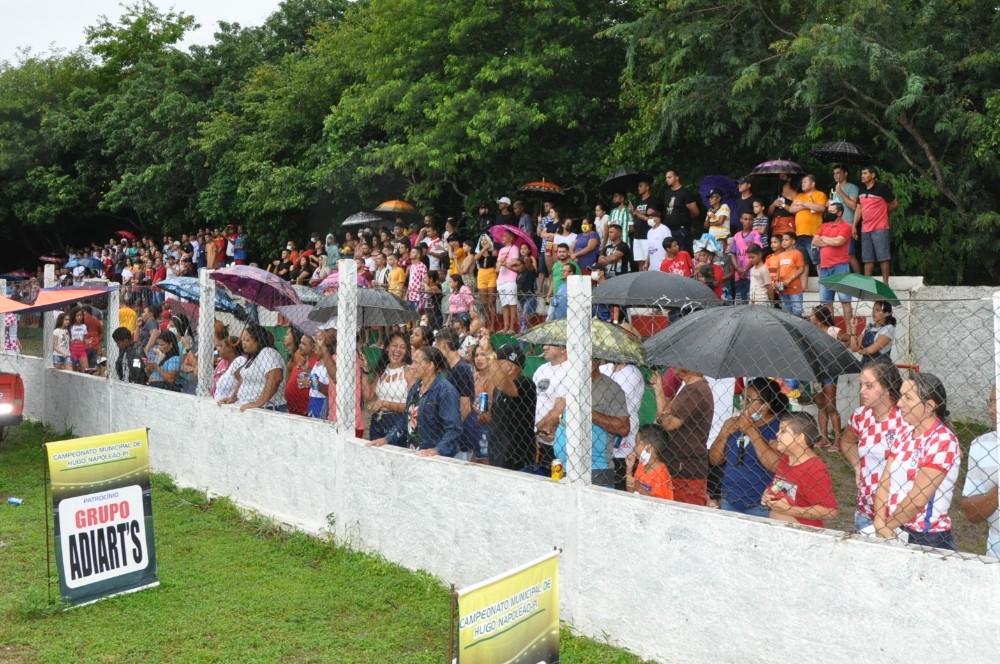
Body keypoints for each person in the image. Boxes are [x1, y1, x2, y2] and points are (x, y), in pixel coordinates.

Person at [875, 373, 961, 550]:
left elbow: (918, 500)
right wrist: (879, 522)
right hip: (893, 526)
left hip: (926, 536)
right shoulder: (904, 433)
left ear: (929, 406)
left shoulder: (943, 440)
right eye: (901, 396)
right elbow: (884, 483)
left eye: (908, 398)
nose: (899, 403)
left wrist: (885, 527)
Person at [837, 360, 908, 530]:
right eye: (861, 385)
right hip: (865, 511)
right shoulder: (861, 416)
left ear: (887, 387)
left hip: (898, 514)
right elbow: (847, 441)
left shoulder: (905, 419)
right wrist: (857, 468)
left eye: (869, 386)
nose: (862, 391)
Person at [710, 378, 787, 516]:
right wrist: (725, 434)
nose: (742, 403)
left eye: (748, 400)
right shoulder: (732, 423)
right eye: (742, 398)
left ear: (765, 406)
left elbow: (776, 466)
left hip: (761, 503)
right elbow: (714, 460)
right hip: (730, 498)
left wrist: (751, 430)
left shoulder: (779, 427)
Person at [367, 346, 461, 457]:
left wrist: (437, 450)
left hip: (435, 458)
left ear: (430, 365)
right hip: (415, 453)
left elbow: (454, 429)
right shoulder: (416, 387)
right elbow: (406, 418)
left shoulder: (446, 391)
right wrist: (387, 439)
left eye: (416, 362)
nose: (411, 366)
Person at [550, 360, 630, 488]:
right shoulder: (573, 383)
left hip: (594, 469)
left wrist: (588, 412)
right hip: (562, 466)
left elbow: (623, 428)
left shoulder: (610, 388)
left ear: (591, 364)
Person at [763, 412, 838, 527]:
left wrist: (789, 510)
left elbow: (830, 511)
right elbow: (778, 484)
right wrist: (769, 493)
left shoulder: (814, 469)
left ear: (799, 438)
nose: (777, 434)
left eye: (783, 431)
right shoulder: (786, 458)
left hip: (803, 533)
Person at [651, 367, 713, 506]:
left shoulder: (697, 391)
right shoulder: (688, 388)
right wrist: (658, 389)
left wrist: (664, 416)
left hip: (686, 469)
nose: (674, 367)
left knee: (685, 513)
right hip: (678, 465)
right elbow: (664, 416)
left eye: (678, 363)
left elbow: (669, 423)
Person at [478, 338, 536, 470]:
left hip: (517, 459)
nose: (492, 364)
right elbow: (493, 420)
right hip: (497, 455)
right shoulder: (498, 389)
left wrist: (489, 352)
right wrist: (483, 411)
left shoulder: (525, 383)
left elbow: (504, 384)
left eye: (497, 361)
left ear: (511, 367)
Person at [961, 387, 999, 559]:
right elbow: (972, 513)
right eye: (990, 402)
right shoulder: (982, 445)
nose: (991, 409)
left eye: (997, 402)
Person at [808, 305, 850, 449]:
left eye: (812, 315)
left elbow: (849, 339)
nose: (810, 317)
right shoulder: (812, 332)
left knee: (830, 406)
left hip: (830, 371)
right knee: (820, 404)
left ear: (819, 317)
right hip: (816, 371)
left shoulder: (832, 331)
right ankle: (824, 438)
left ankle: (837, 440)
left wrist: (839, 352)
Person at [600, 357, 645, 491]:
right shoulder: (604, 368)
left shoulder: (632, 372)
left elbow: (615, 401)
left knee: (618, 479)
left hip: (623, 435)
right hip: (601, 432)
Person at [221, 324, 286, 412]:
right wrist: (233, 397)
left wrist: (259, 403)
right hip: (251, 407)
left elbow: (275, 378)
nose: (243, 343)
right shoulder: (253, 357)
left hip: (268, 407)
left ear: (258, 340)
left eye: (247, 340)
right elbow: (243, 378)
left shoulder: (268, 352)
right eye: (242, 340)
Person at [434, 328, 477, 461]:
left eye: (437, 345)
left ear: (444, 345)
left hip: (461, 434)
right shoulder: (451, 367)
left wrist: (451, 432)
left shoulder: (461, 368)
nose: (436, 349)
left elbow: (465, 407)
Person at [812, 201, 855, 327]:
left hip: (840, 267)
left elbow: (839, 242)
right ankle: (829, 332)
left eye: (831, 212)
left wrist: (823, 238)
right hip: (824, 268)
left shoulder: (846, 227)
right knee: (826, 303)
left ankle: (850, 332)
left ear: (839, 213)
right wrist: (831, 241)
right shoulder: (824, 226)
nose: (828, 213)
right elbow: (815, 241)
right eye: (828, 211)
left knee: (845, 301)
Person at [855, 166, 898, 283]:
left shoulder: (882, 187)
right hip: (865, 228)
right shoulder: (861, 189)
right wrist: (854, 226)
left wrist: (883, 213)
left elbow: (894, 204)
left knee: (883, 257)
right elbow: (859, 208)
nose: (862, 176)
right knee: (867, 259)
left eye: (865, 173)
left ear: (873, 175)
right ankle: (867, 283)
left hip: (880, 227)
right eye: (862, 173)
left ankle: (885, 284)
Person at [787, 173, 827, 290]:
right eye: (802, 182)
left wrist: (803, 204)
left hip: (813, 233)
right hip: (799, 234)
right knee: (803, 262)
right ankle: (803, 287)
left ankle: (824, 286)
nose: (802, 184)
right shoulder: (799, 195)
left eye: (805, 182)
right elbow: (792, 209)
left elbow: (821, 208)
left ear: (812, 183)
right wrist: (808, 206)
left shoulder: (820, 194)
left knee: (817, 260)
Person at [829, 164, 861, 273]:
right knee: (837, 254)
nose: (836, 175)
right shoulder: (833, 189)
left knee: (850, 254)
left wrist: (841, 193)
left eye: (838, 173)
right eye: (834, 173)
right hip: (835, 226)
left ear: (845, 174)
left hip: (848, 225)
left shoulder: (852, 187)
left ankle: (859, 278)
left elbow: (854, 206)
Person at [632, 425, 675, 500]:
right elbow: (631, 491)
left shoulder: (661, 474)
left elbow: (660, 503)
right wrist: (629, 469)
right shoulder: (641, 465)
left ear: (648, 448)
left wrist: (640, 489)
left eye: (637, 443)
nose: (634, 447)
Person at [661, 170, 699, 254]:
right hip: (668, 229)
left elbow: (695, 212)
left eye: (669, 177)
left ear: (677, 178)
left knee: (682, 253)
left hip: (681, 229)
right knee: (669, 254)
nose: (667, 179)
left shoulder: (685, 193)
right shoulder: (666, 192)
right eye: (666, 178)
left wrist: (684, 219)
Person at [728, 212, 763, 302]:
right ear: (741, 220)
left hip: (751, 274)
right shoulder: (736, 236)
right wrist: (737, 268)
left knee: (750, 301)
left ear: (753, 220)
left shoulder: (755, 234)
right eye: (745, 219)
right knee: (739, 302)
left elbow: (757, 253)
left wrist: (745, 269)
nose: (748, 221)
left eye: (750, 219)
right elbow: (733, 254)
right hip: (738, 274)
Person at [849, 300, 896, 366]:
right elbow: (854, 348)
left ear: (886, 313)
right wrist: (853, 328)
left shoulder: (888, 328)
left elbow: (871, 350)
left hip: (880, 366)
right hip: (865, 365)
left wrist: (860, 351)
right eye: (873, 309)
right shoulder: (869, 327)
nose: (873, 312)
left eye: (877, 310)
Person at [495, 230, 521, 334]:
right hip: (501, 279)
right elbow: (497, 267)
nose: (503, 237)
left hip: (510, 279)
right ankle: (505, 328)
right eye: (503, 236)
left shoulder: (514, 248)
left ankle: (512, 328)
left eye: (505, 236)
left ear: (511, 238)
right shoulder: (501, 250)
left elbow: (515, 262)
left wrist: (505, 263)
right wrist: (500, 263)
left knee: (512, 304)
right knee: (504, 305)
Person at [775, 232, 805, 316]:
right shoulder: (780, 255)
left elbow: (801, 269)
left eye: (786, 240)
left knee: (797, 310)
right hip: (783, 288)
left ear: (793, 241)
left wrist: (789, 280)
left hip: (795, 288)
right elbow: (778, 270)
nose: (783, 242)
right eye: (783, 240)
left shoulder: (797, 253)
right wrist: (776, 281)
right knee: (786, 311)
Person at [631, 176, 656, 270]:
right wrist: (633, 212)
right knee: (639, 261)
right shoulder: (637, 201)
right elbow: (635, 215)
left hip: (647, 235)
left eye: (640, 186)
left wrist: (637, 213)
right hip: (637, 235)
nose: (638, 188)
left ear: (647, 187)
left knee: (647, 261)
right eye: (638, 186)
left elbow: (649, 218)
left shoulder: (652, 200)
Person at [213, 333, 246, 403]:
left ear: (230, 348)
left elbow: (243, 381)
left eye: (222, 346)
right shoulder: (225, 363)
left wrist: (233, 397)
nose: (219, 349)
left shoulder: (239, 361)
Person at [69, 308, 90, 373]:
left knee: (86, 371)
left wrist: (87, 341)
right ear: (73, 316)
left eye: (81, 315)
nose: (79, 317)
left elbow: (84, 339)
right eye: (77, 315)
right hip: (72, 351)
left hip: (82, 351)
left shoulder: (84, 326)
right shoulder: (70, 326)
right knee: (73, 372)